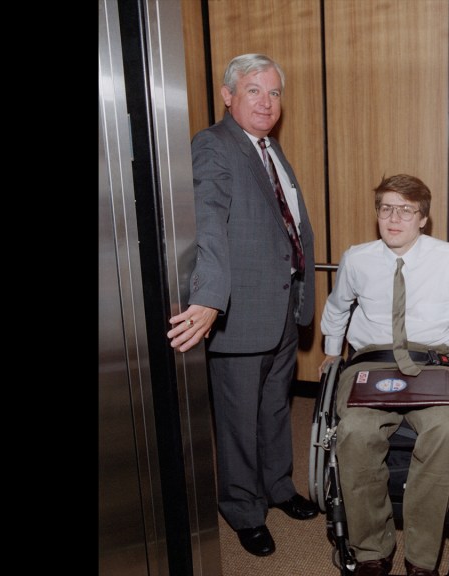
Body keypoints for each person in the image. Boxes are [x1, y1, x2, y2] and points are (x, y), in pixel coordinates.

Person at [166, 53, 319, 557]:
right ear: (229, 95)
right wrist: (209, 296)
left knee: (275, 407)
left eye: (274, 92)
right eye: (254, 90)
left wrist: (302, 295)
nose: (267, 102)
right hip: (238, 310)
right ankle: (241, 507)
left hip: (278, 306)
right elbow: (208, 222)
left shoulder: (268, 147)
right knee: (236, 418)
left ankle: (277, 486)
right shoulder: (214, 145)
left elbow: (286, 224)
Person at [319, 174, 449, 576]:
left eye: (406, 210)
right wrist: (333, 352)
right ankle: (371, 551)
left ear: (423, 218)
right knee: (354, 431)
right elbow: (337, 308)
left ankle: (422, 559)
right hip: (372, 360)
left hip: (435, 361)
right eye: (386, 208)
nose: (394, 218)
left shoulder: (448, 258)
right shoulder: (357, 258)